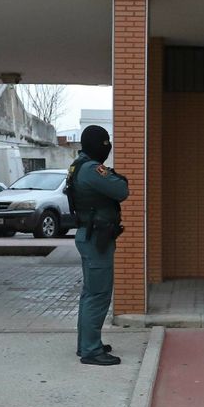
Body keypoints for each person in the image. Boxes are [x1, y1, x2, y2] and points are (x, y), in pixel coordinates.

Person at [65, 125, 126, 366]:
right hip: (95, 238)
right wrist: (116, 177)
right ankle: (91, 350)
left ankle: (87, 344)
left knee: (90, 293)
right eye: (105, 143)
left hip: (90, 235)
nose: (107, 147)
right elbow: (121, 190)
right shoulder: (90, 169)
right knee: (98, 294)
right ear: (96, 144)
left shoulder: (78, 165)